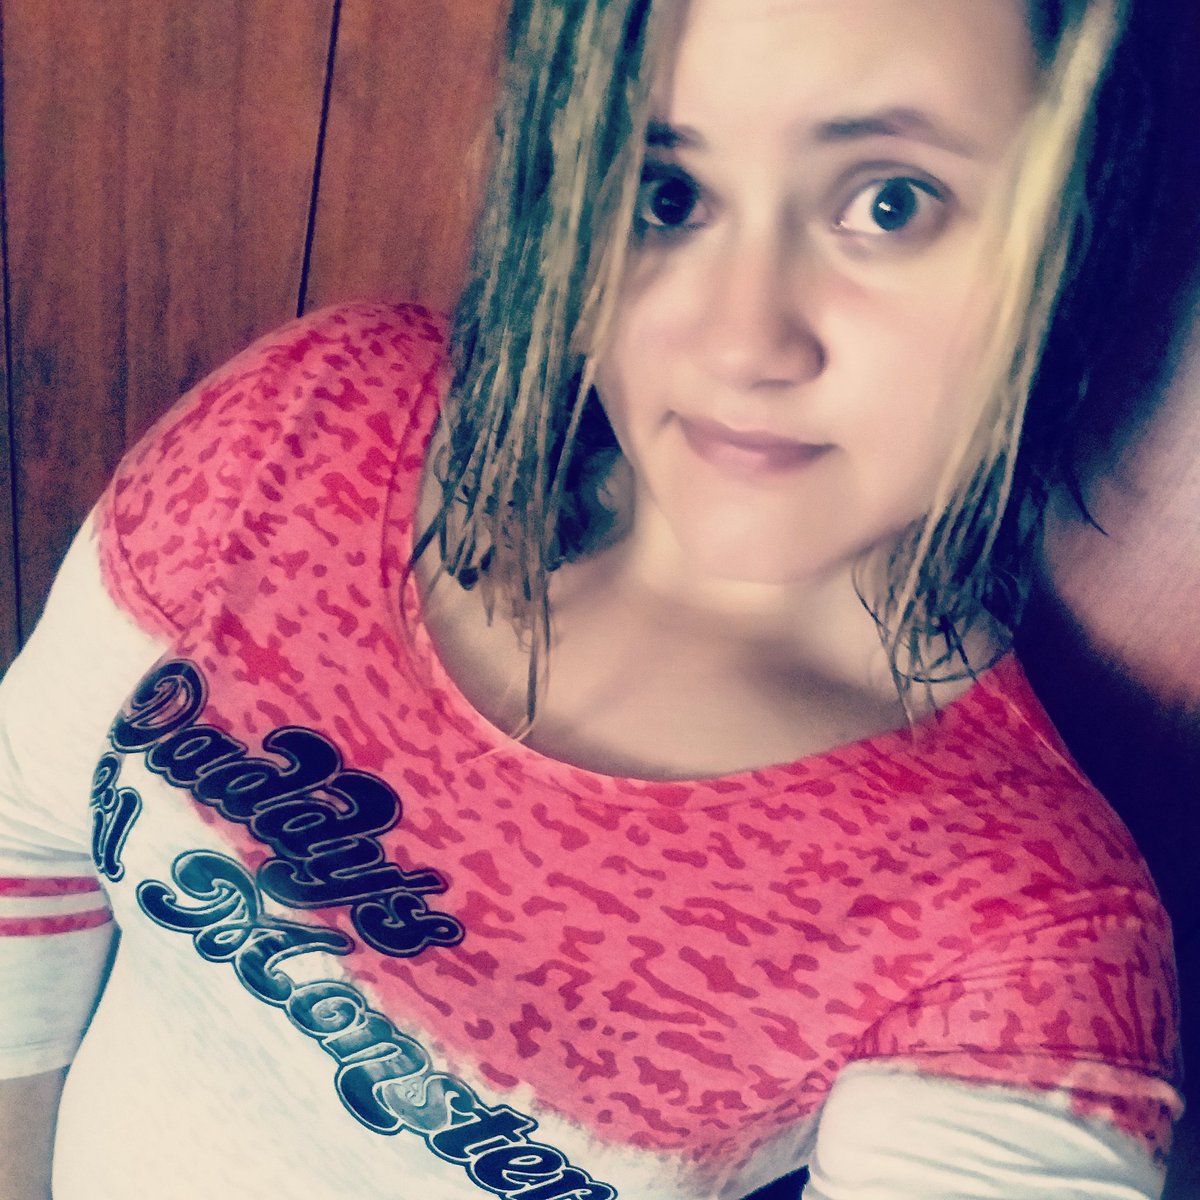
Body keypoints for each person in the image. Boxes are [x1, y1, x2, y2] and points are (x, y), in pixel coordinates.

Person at [0, 0, 1185, 1197]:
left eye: (890, 204)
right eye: (669, 194)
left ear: (1071, 229)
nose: (739, 340)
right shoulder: (319, 425)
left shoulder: (1023, 933)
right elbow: (23, 840)